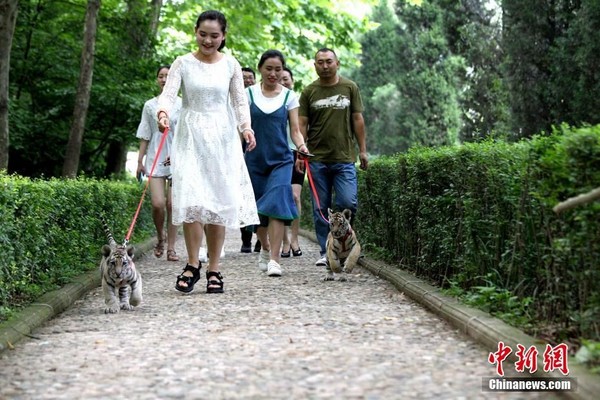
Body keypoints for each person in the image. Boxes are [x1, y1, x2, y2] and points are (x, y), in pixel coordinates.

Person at [157, 10, 259, 294]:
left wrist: (246, 128)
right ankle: (192, 264)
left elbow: (240, 102)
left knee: (217, 203)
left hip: (222, 138)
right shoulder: (182, 63)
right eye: (203, 34)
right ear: (195, 32)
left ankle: (214, 268)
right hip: (190, 136)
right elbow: (168, 94)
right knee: (191, 201)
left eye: (214, 36)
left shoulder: (231, 65)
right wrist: (163, 112)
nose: (208, 40)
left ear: (223, 36)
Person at [297, 48, 368, 267]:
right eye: (320, 62)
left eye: (329, 61)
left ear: (337, 63)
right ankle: (325, 250)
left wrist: (363, 150)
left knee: (347, 201)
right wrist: (301, 152)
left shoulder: (349, 87)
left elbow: (357, 119)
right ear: (315, 65)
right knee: (321, 207)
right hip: (316, 159)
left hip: (344, 157)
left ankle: (345, 244)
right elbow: (301, 124)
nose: (325, 66)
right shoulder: (309, 92)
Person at [245, 50, 308, 277]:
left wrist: (301, 147)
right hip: (254, 160)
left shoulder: (289, 96)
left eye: (278, 69)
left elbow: (295, 130)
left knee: (277, 207)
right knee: (258, 213)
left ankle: (274, 260)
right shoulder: (247, 94)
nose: (273, 73)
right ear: (260, 68)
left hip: (281, 160)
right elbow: (239, 127)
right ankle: (265, 247)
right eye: (269, 69)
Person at [136, 65, 182, 262]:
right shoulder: (150, 105)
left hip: (178, 159)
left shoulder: (183, 104)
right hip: (155, 158)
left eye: (168, 76)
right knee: (158, 204)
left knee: (173, 204)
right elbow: (145, 134)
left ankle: (171, 247)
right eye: (161, 76)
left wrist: (180, 153)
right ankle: (160, 237)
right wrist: (140, 161)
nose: (164, 79)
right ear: (157, 80)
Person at [279, 67, 304, 258]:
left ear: (292, 81)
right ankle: (284, 241)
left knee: (295, 197)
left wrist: (304, 147)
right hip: (277, 154)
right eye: (280, 79)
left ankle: (294, 238)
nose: (283, 81)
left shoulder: (295, 100)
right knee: (281, 197)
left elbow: (300, 129)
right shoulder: (271, 100)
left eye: (286, 79)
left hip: (296, 152)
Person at [239, 66, 260, 254]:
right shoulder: (237, 99)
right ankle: (245, 238)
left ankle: (262, 238)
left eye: (250, 78)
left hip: (263, 151)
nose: (247, 80)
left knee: (261, 198)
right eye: (243, 78)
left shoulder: (259, 96)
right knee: (244, 198)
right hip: (243, 154)